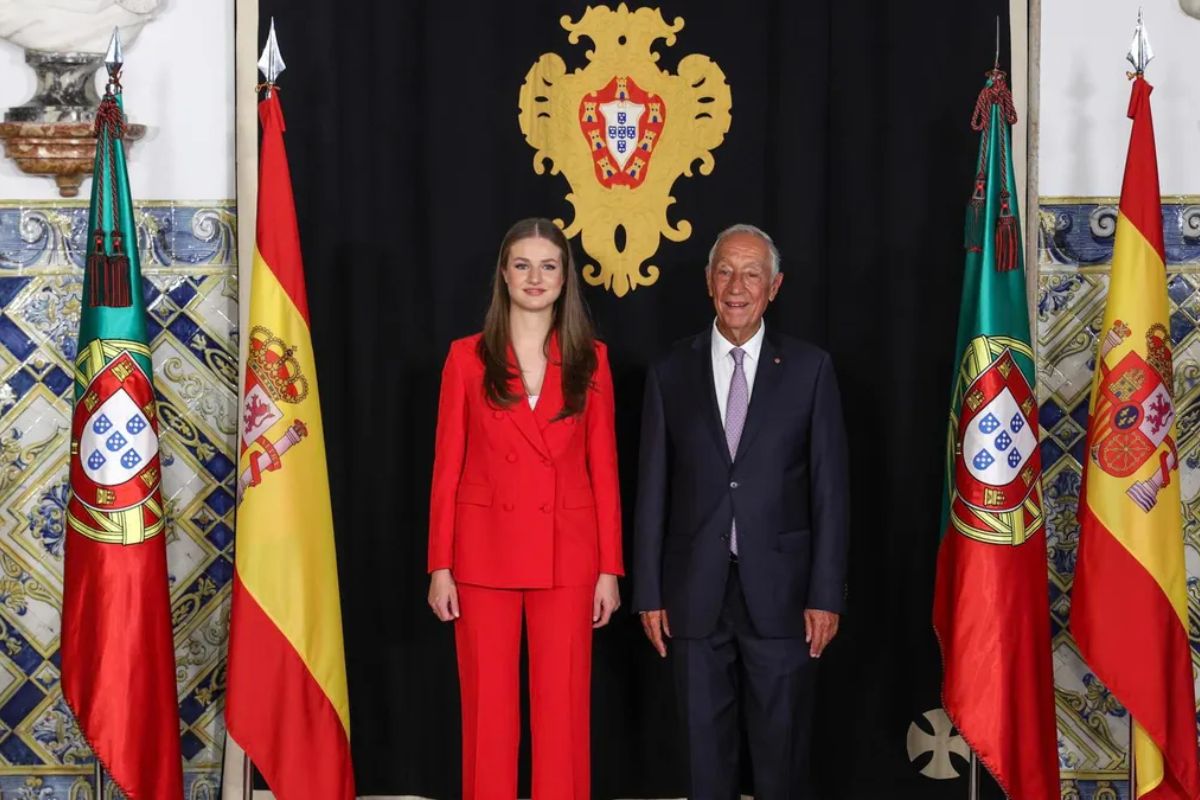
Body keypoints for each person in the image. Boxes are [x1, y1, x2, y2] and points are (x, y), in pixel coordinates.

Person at [632, 224, 849, 799]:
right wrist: (648, 592)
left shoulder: (810, 370)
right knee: (704, 764)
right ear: (707, 282)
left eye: (751, 274)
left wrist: (826, 593)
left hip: (783, 597)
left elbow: (831, 490)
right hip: (692, 597)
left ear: (773, 287)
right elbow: (652, 488)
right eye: (725, 271)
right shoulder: (669, 372)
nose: (737, 286)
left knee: (781, 761)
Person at [427, 217, 623, 800]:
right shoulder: (465, 359)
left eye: (549, 266)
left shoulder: (592, 359)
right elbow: (446, 471)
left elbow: (605, 473)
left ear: (565, 279)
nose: (535, 277)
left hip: (568, 557)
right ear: (504, 276)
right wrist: (440, 565)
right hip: (481, 554)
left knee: (563, 713)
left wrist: (609, 569)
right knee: (487, 715)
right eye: (522, 265)